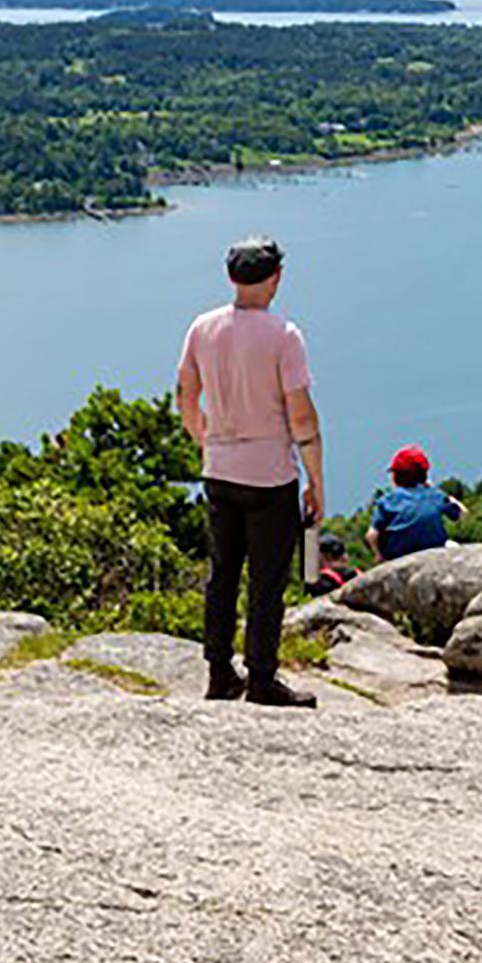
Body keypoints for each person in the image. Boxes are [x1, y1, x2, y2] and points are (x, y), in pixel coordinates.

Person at [176, 236, 324, 709]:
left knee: (222, 575)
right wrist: (316, 480)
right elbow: (301, 417)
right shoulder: (284, 335)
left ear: (231, 278)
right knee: (266, 581)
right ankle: (262, 678)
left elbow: (186, 393)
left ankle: (220, 672)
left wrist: (205, 438)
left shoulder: (202, 327)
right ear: (276, 278)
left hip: (219, 470)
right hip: (270, 476)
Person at [365, 445, 467, 563]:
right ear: (424, 476)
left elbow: (371, 535)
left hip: (398, 556)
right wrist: (441, 494)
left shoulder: (387, 501)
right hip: (433, 552)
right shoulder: (434, 496)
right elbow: (462, 513)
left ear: (396, 476)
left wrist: (378, 555)